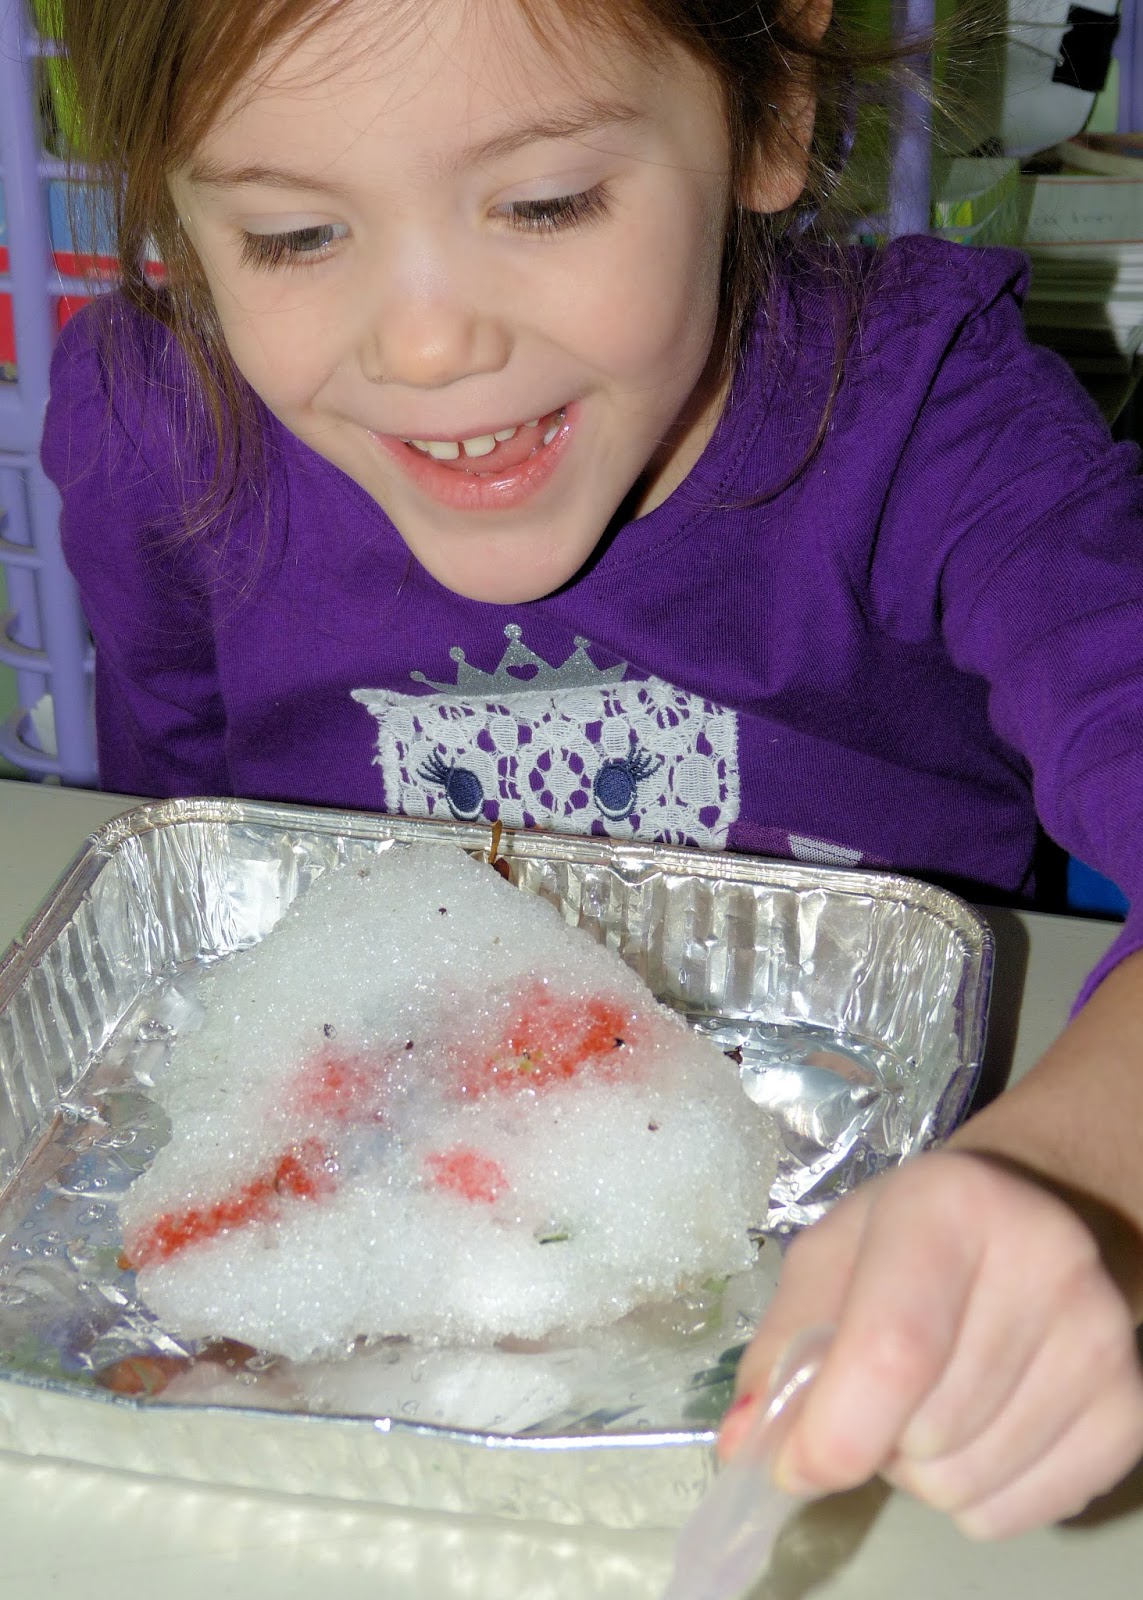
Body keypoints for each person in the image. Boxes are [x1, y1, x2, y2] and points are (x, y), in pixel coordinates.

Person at [43, 0, 1143, 1542]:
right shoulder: (165, 433)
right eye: (294, 235)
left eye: (545, 203)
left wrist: (1069, 1174)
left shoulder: (932, 425)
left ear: (763, 118)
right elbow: (191, 866)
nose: (427, 341)